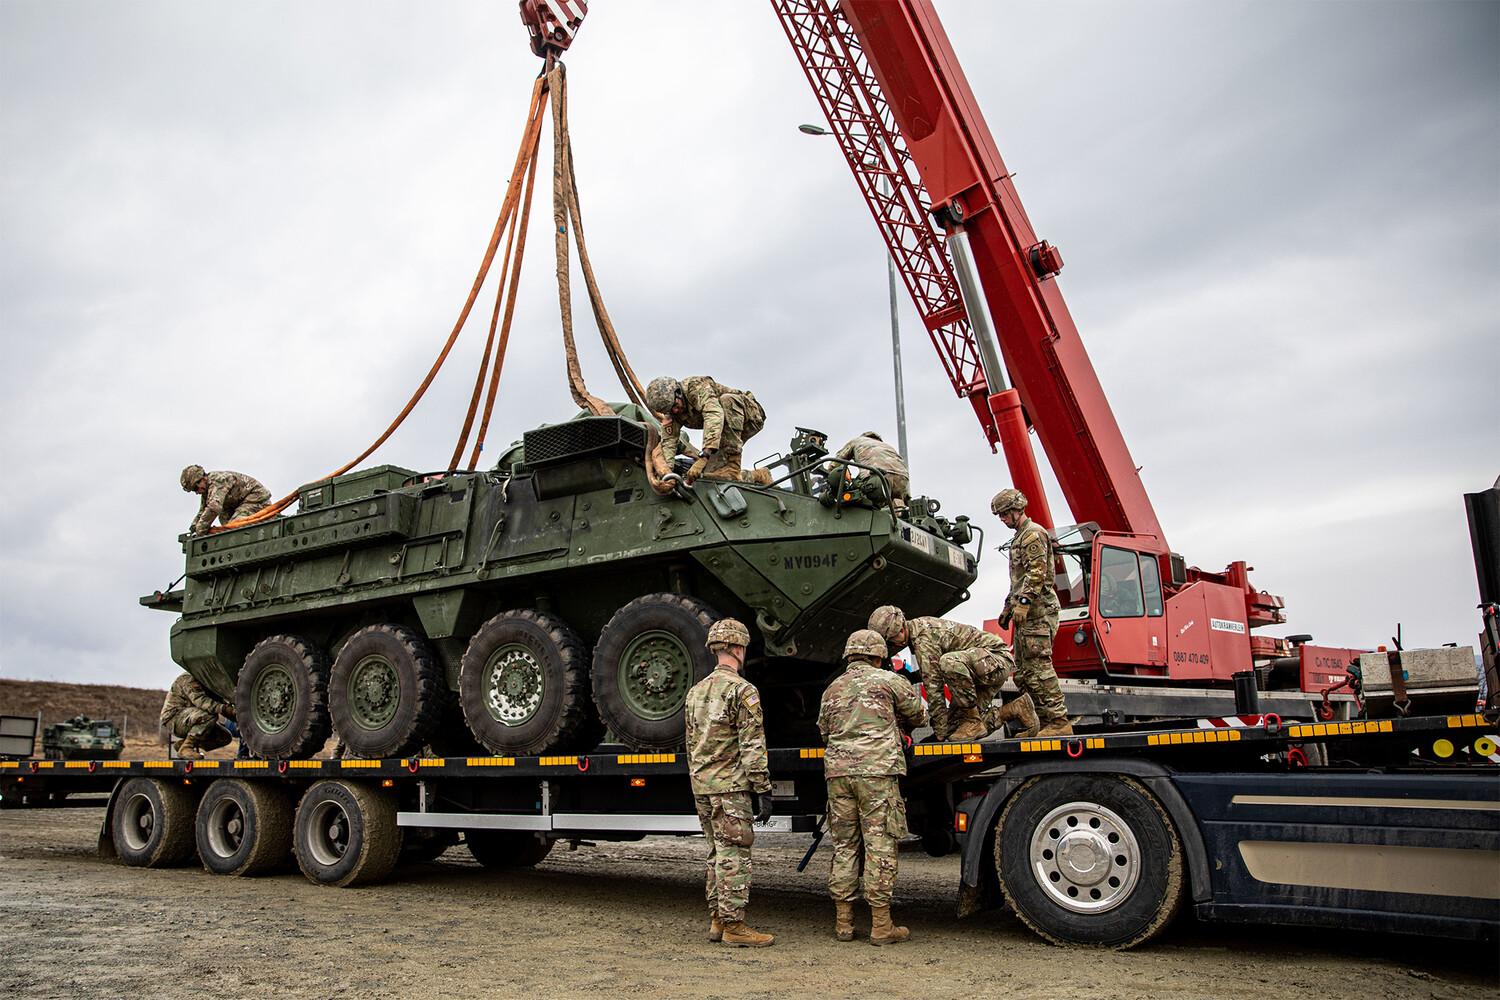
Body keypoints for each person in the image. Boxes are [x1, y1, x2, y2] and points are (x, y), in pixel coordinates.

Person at [817, 629, 928, 945]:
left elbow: (824, 731)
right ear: (879, 656)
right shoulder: (888, 681)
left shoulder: (831, 689)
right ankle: (881, 926)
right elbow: (919, 715)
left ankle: (843, 924)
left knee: (845, 845)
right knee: (879, 844)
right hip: (877, 772)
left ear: (849, 656)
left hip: (838, 775)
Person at [683, 617, 776, 947]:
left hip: (703, 787)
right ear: (738, 648)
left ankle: (718, 921)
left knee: (715, 853)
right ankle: (735, 928)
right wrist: (762, 787)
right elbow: (752, 744)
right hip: (730, 789)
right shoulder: (742, 690)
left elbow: (690, 743)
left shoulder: (695, 692)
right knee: (735, 853)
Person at [867, 606, 1036, 742]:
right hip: (977, 670)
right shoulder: (917, 632)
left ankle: (973, 721)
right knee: (956, 731)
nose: (893, 646)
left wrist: (939, 734)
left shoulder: (923, 638)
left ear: (899, 631)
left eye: (890, 641)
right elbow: (934, 670)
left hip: (996, 659)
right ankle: (1015, 709)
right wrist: (914, 676)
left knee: (950, 662)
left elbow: (934, 689)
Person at [992, 488, 1073, 737]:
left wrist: (1025, 602)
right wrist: (1009, 607)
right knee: (1025, 674)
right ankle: (1043, 723)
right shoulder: (1020, 537)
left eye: (1005, 514)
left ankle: (1059, 722)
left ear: (1017, 510)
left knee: (1039, 668)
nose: (1003, 519)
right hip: (1026, 616)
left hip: (1038, 614)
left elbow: (1037, 574)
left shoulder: (1033, 534)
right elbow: (1018, 579)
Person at [645, 376, 771, 486]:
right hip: (724, 432)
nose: (675, 412)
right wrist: (666, 474)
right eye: (669, 410)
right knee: (711, 478)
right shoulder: (672, 412)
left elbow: (714, 414)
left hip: (749, 417)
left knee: (727, 400)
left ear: (678, 393)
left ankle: (733, 463)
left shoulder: (695, 387)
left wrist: (705, 455)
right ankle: (759, 475)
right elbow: (669, 442)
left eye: (675, 406)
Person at [159, 672, 236, 759]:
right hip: (174, 718)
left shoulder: (208, 683)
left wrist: (237, 716)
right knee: (208, 716)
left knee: (223, 737)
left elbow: (219, 703)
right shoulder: (188, 678)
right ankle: (186, 748)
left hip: (189, 718)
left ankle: (183, 744)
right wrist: (225, 709)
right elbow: (201, 701)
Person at [181, 465, 272, 535]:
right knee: (224, 517)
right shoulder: (206, 490)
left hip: (256, 499)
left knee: (234, 526)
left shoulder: (218, 480)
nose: (197, 492)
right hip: (239, 504)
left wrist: (200, 529)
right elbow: (203, 510)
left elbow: (214, 508)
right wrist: (194, 527)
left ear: (203, 479)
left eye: (195, 489)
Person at [830, 431, 910, 512]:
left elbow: (835, 463)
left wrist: (828, 475)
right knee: (892, 503)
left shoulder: (858, 441)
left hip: (879, 479)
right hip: (903, 479)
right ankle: (898, 512)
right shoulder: (887, 446)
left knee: (858, 498)